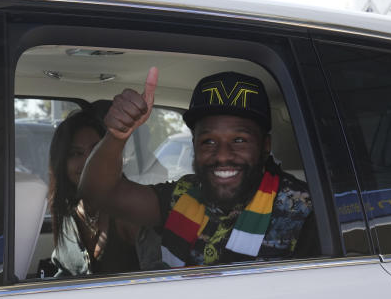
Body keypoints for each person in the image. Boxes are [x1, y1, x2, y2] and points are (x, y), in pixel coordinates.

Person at [80, 69, 316, 268]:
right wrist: (116, 137)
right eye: (209, 142)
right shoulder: (186, 193)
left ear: (265, 146)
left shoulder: (303, 210)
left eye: (239, 140)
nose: (222, 155)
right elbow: (99, 194)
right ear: (194, 145)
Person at [48, 109, 139, 276]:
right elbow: (64, 271)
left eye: (97, 149)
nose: (89, 161)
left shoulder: (128, 211)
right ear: (62, 164)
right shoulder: (66, 212)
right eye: (76, 153)